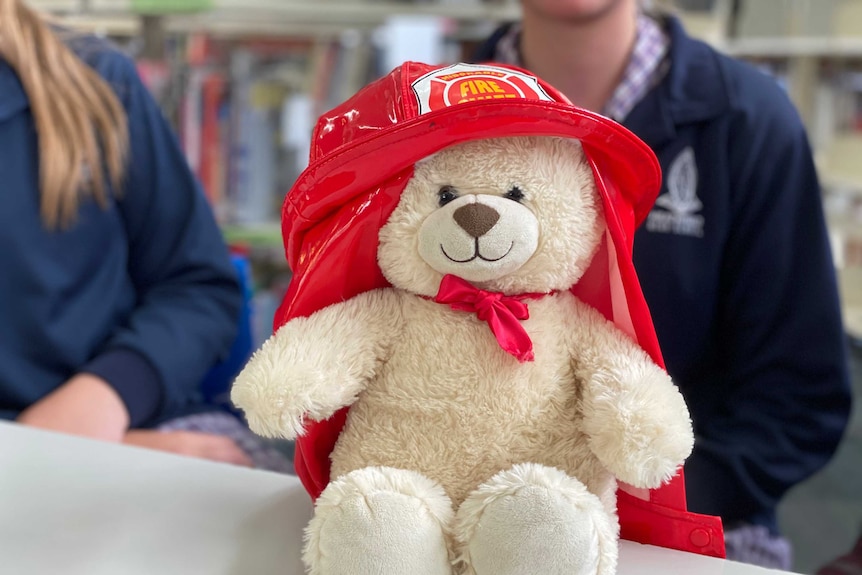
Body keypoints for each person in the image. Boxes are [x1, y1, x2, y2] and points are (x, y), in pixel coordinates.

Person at [473, 0, 853, 569]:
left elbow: (797, 402)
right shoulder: (418, 113)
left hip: (690, 526)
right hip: (473, 506)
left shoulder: (749, 120)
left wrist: (618, 508)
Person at [0, 0, 291, 473]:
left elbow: (199, 289)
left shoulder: (93, 82)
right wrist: (54, 446)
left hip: (126, 418)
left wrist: (106, 399)